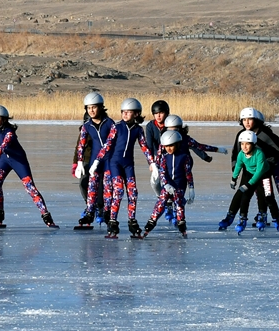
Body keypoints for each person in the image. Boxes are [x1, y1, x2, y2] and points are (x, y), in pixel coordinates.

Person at [233, 108, 279, 226]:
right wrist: (235, 170)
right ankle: (262, 215)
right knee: (262, 191)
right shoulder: (242, 135)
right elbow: (236, 154)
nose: (246, 122)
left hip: (274, 165)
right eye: (244, 120)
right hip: (261, 168)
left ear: (257, 120)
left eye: (250, 120)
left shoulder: (265, 134)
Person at [0, 105, 58, 228]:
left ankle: (46, 215)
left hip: (18, 160)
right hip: (4, 160)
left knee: (30, 187)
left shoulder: (9, 132)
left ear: (3, 119)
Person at [92, 98, 154, 239]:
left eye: (128, 112)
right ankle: (112, 221)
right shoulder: (117, 127)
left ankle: (132, 220)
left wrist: (152, 163)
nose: (125, 114)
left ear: (136, 114)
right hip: (115, 164)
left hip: (128, 165)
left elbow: (144, 147)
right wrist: (97, 161)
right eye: (123, 112)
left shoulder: (138, 130)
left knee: (133, 193)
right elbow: (107, 145)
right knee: (118, 191)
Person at [220, 131, 279, 234]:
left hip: (264, 175)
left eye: (247, 144)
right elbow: (238, 166)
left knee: (268, 197)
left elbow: (259, 171)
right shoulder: (241, 154)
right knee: (244, 195)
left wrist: (249, 184)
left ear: (253, 144)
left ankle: (277, 220)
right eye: (242, 144)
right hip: (250, 175)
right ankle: (242, 219)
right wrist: (234, 179)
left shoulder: (259, 154)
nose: (244, 147)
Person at [73, 92, 114, 228]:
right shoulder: (86, 126)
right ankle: (90, 212)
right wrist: (78, 162)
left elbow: (110, 142)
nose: (91, 111)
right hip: (93, 163)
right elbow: (81, 145)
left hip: (108, 161)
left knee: (107, 188)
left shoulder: (109, 123)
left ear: (101, 107)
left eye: (94, 107)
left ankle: (107, 214)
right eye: (88, 108)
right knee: (91, 187)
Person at [142, 130, 192, 238]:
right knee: (161, 201)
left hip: (179, 186)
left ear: (177, 144)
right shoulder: (164, 158)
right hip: (168, 185)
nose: (168, 148)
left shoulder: (184, 157)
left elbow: (188, 173)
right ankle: (151, 222)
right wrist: (165, 184)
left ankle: (181, 224)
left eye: (171, 146)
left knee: (179, 203)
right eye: (166, 146)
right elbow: (162, 173)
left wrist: (191, 189)